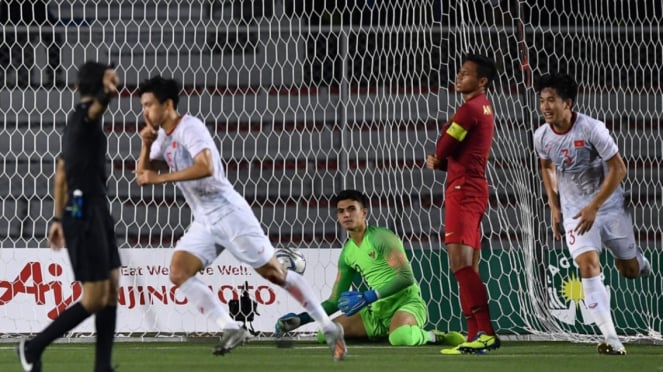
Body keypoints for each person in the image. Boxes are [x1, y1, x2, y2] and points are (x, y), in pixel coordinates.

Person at [134, 75, 346, 361]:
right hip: (205, 220)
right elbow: (141, 176)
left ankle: (328, 325)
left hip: (229, 213)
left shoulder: (189, 127)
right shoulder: (162, 137)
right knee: (179, 271)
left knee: (275, 274)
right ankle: (231, 327)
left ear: (167, 104)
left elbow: (205, 166)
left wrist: (162, 178)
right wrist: (146, 145)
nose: (144, 112)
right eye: (143, 106)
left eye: (148, 105)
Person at [532, 72, 651, 355]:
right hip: (575, 212)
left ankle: (639, 262)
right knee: (587, 264)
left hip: (608, 208)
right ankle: (611, 339)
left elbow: (619, 169)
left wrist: (594, 206)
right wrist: (554, 204)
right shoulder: (541, 136)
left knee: (630, 271)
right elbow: (546, 166)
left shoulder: (592, 129)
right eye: (542, 100)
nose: (545, 106)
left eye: (552, 100)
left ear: (568, 103)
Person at [16, 62, 120, 372]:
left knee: (112, 287)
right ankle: (33, 348)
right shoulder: (85, 119)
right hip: (84, 210)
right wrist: (108, 91)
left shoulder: (75, 127)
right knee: (93, 299)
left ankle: (103, 366)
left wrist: (57, 220)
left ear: (76, 87)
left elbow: (60, 174)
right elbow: (97, 106)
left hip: (95, 209)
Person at [274, 189, 467, 347]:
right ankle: (384, 331)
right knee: (325, 334)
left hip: (405, 303)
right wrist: (301, 319)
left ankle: (435, 336)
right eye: (341, 211)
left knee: (401, 338)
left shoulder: (382, 237)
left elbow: (406, 277)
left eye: (351, 209)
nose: (346, 214)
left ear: (364, 212)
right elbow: (334, 301)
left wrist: (368, 296)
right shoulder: (348, 253)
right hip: (375, 312)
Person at [425, 53, 500, 355]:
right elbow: (457, 152)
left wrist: (440, 155)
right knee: (469, 265)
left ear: (482, 81)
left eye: (466, 73)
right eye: (459, 72)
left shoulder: (469, 110)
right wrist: (444, 162)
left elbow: (444, 147)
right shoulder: (482, 108)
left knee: (460, 264)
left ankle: (486, 332)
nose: (459, 77)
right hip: (470, 184)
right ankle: (474, 336)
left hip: (464, 190)